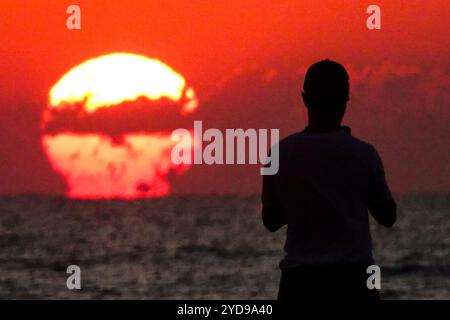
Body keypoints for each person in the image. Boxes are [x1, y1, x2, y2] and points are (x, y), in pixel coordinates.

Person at [261, 59, 397, 300]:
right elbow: (387, 215)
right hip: (353, 281)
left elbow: (270, 220)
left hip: (299, 282)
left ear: (305, 98)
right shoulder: (363, 154)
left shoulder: (280, 153)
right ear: (345, 99)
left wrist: (303, 201)